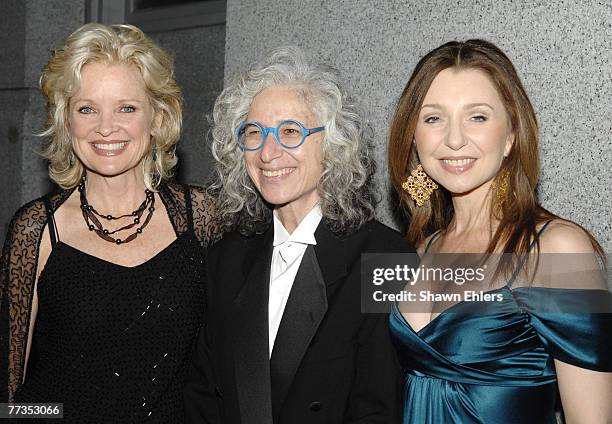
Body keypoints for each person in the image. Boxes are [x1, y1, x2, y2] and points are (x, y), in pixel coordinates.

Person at [0, 23, 220, 422]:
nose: (106, 127)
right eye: (87, 109)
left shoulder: (201, 218)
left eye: (126, 108)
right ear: (66, 121)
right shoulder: (35, 230)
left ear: (157, 117)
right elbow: (11, 386)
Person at [184, 46, 414, 424]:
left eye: (290, 131)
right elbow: (203, 395)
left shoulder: (386, 260)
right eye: (254, 133)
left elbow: (379, 408)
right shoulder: (224, 260)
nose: (268, 152)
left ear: (333, 143)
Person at [387, 39, 612, 423]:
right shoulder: (420, 247)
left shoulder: (555, 250)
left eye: (477, 117)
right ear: (413, 139)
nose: (454, 139)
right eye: (433, 118)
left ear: (510, 136)